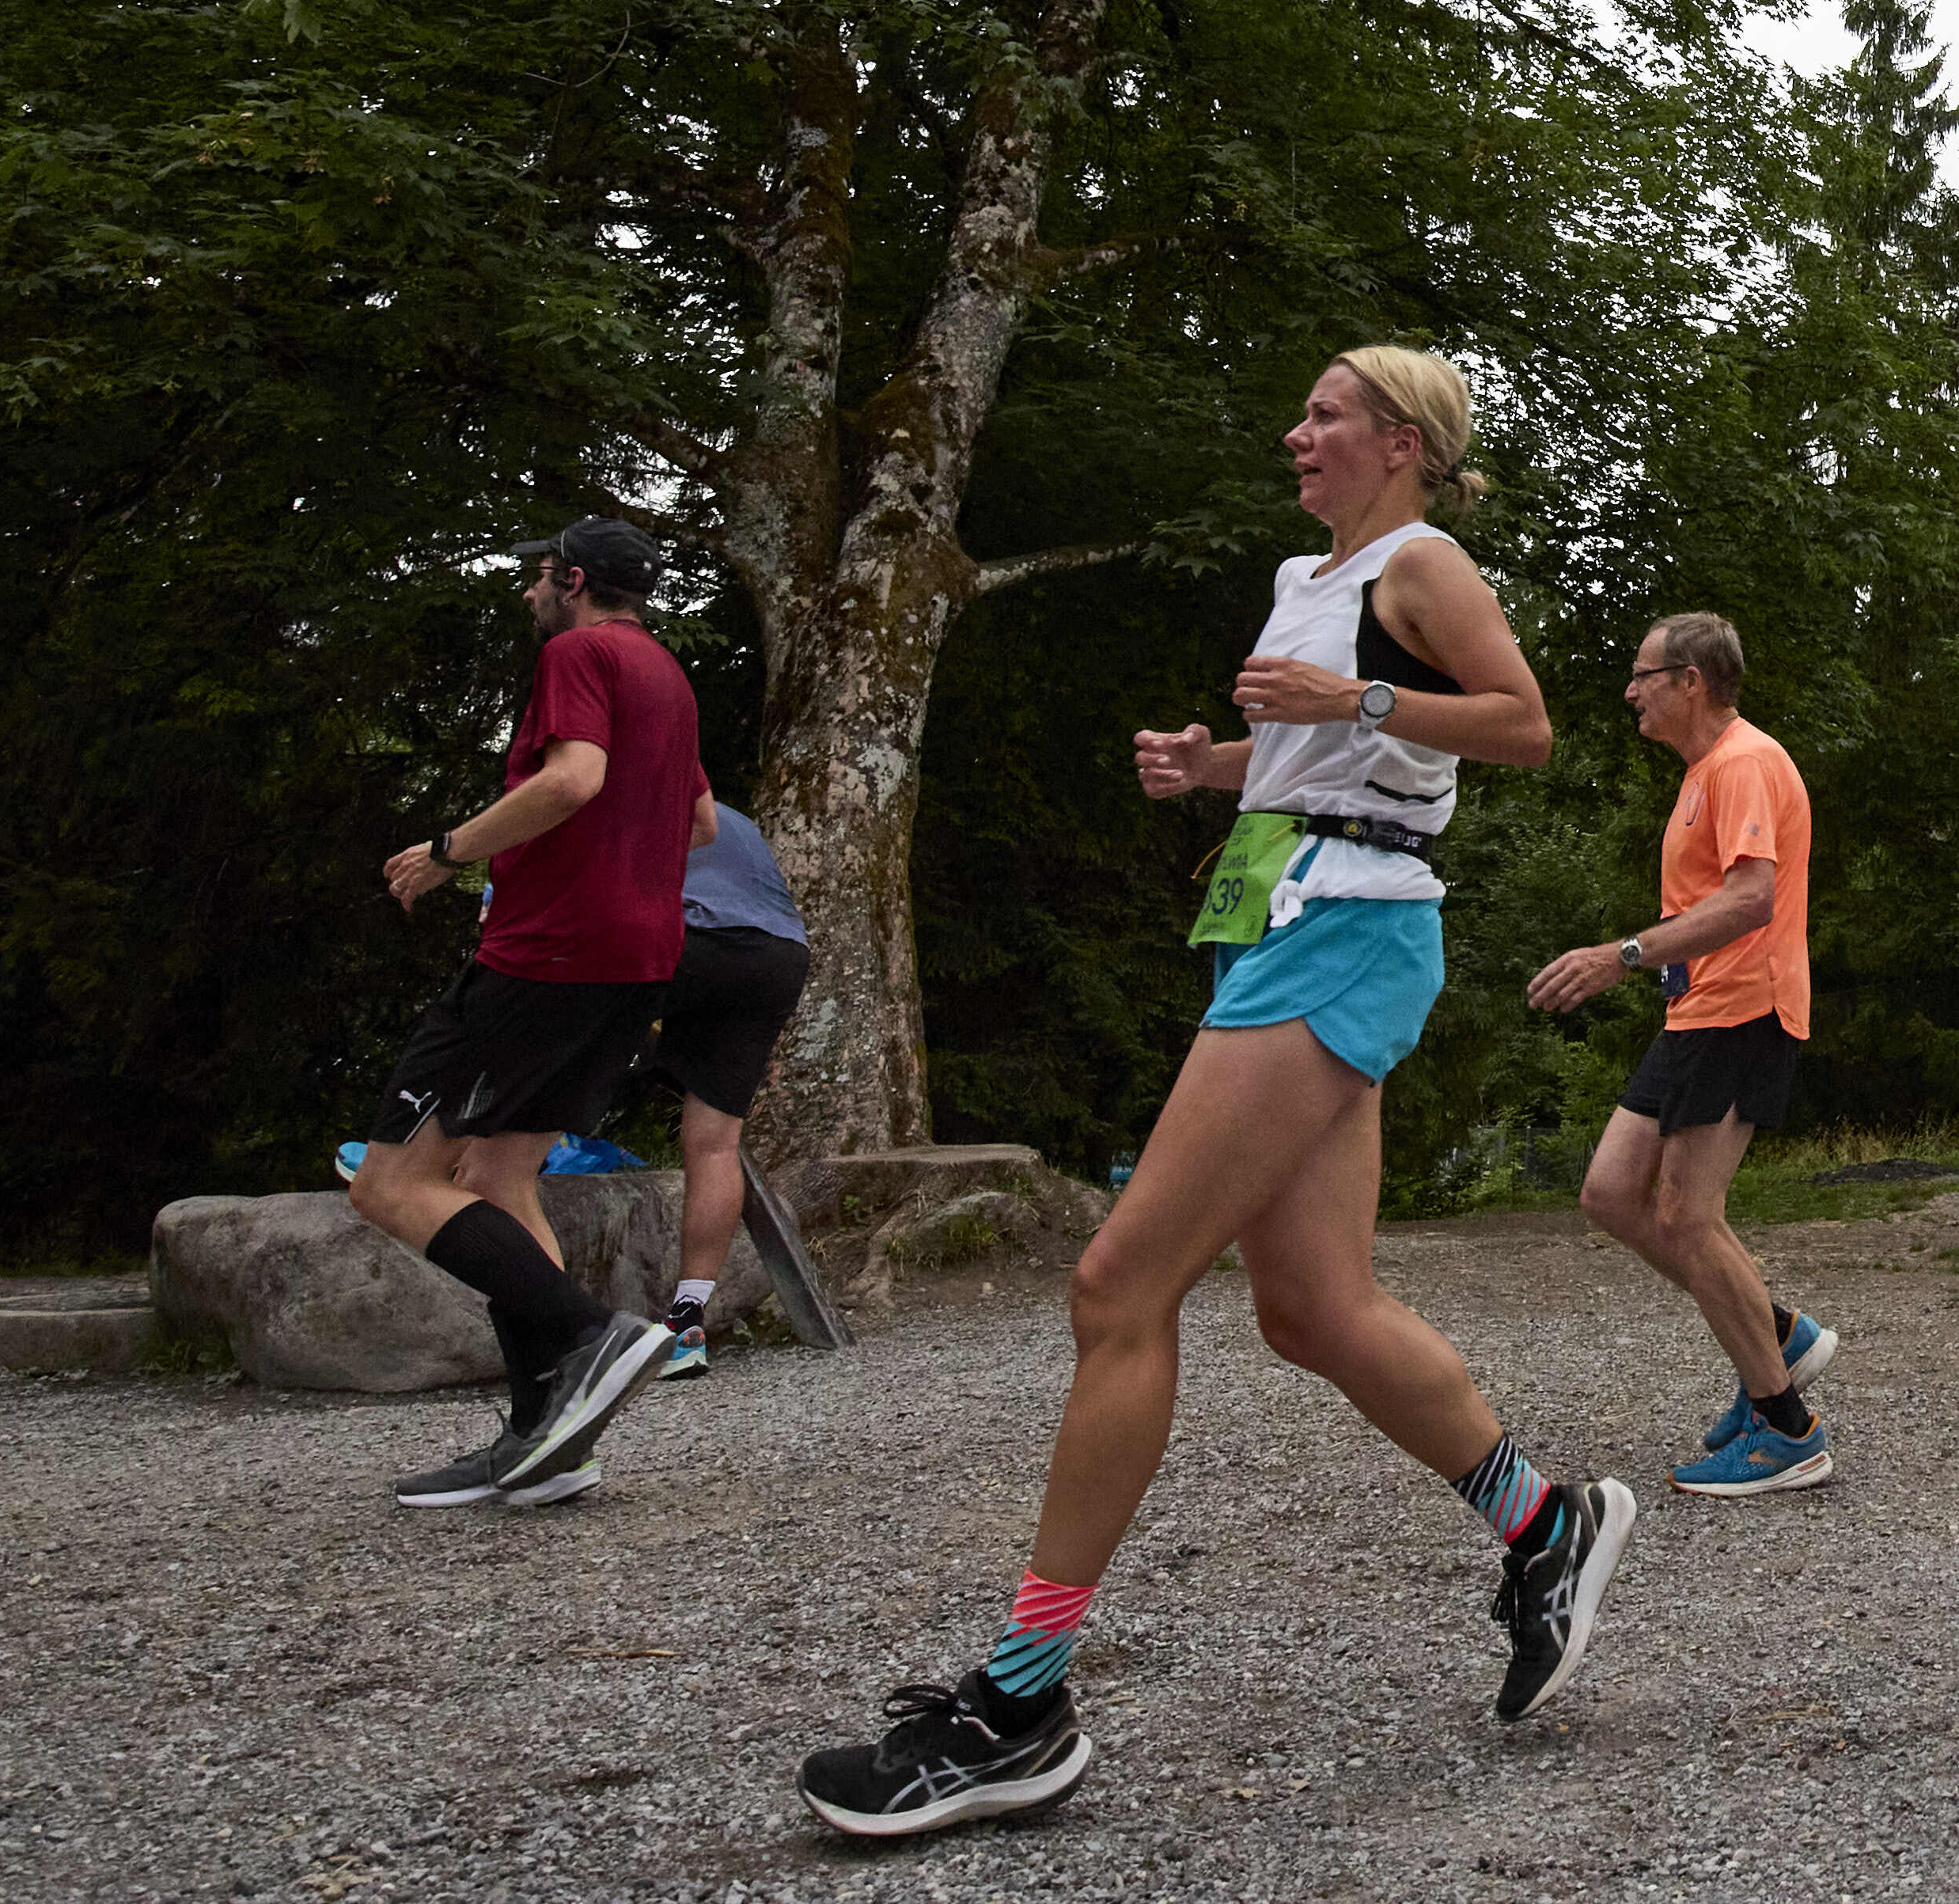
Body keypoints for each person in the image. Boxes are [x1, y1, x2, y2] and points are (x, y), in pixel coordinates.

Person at [798, 350, 1632, 1841]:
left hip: (1349, 925)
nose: (1295, 431)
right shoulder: (1306, 575)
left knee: (1119, 1285)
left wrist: (1355, 689)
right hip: (1286, 908)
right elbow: (1325, 752)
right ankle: (1542, 1520)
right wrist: (1217, 766)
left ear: (1400, 441)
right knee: (1313, 1308)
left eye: (1324, 413)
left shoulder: (1422, 563)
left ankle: (1018, 1705)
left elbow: (1522, 724)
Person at [350, 514, 710, 1514]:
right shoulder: (668, 677)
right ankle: (543, 1437)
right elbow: (698, 821)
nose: (529, 592)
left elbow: (574, 778)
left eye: (540, 575)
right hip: (638, 961)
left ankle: (594, 1334)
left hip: (547, 956)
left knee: (388, 1183)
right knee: (498, 1179)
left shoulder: (580, 653)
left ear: (575, 580)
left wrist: (449, 851)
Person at [1526, 611, 1839, 1496]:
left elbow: (1750, 899)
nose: (1631, 691)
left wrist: (1620, 955)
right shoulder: (1705, 771)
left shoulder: (1743, 761)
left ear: (1691, 681)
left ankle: (1785, 1428)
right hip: (1698, 1011)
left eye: (1644, 675)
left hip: (1744, 1008)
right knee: (1610, 1192)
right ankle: (1776, 1332)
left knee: (1686, 1217)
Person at [648, 800, 811, 1375]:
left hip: (696, 940)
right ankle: (686, 1324)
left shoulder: (613, 792)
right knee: (715, 1142)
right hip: (779, 955)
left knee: (555, 1035)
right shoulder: (731, 816)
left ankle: (444, 1146)